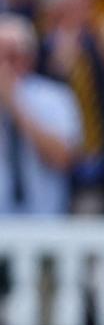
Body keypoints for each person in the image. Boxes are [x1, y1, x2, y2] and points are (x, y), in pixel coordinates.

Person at [0, 12, 81, 215]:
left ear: (29, 57)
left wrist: (15, 106)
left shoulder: (55, 97)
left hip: (44, 224)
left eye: (11, 56)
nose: (4, 66)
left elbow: (62, 159)